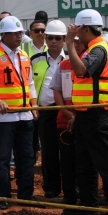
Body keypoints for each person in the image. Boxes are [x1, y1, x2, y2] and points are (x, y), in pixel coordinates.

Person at [65, 9, 108, 215]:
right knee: (84, 161)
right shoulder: (91, 48)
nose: (76, 33)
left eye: (78, 29)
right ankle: (89, 202)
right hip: (84, 115)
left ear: (86, 28)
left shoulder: (99, 49)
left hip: (96, 114)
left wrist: (69, 43)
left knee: (104, 161)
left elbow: (81, 72)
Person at [0, 16, 39, 210]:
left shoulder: (23, 56)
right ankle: (4, 195)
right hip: (3, 118)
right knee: (3, 158)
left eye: (20, 33)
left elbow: (30, 83)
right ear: (3, 36)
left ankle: (25, 195)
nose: (19, 36)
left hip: (25, 115)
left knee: (26, 157)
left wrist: (34, 105)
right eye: (14, 33)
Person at [31, 20, 68, 199]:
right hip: (45, 111)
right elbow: (29, 84)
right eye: (51, 37)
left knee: (68, 150)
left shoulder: (71, 60)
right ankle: (51, 187)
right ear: (45, 38)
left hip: (67, 112)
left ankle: (71, 186)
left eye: (58, 38)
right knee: (49, 150)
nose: (54, 41)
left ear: (64, 40)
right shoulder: (35, 60)